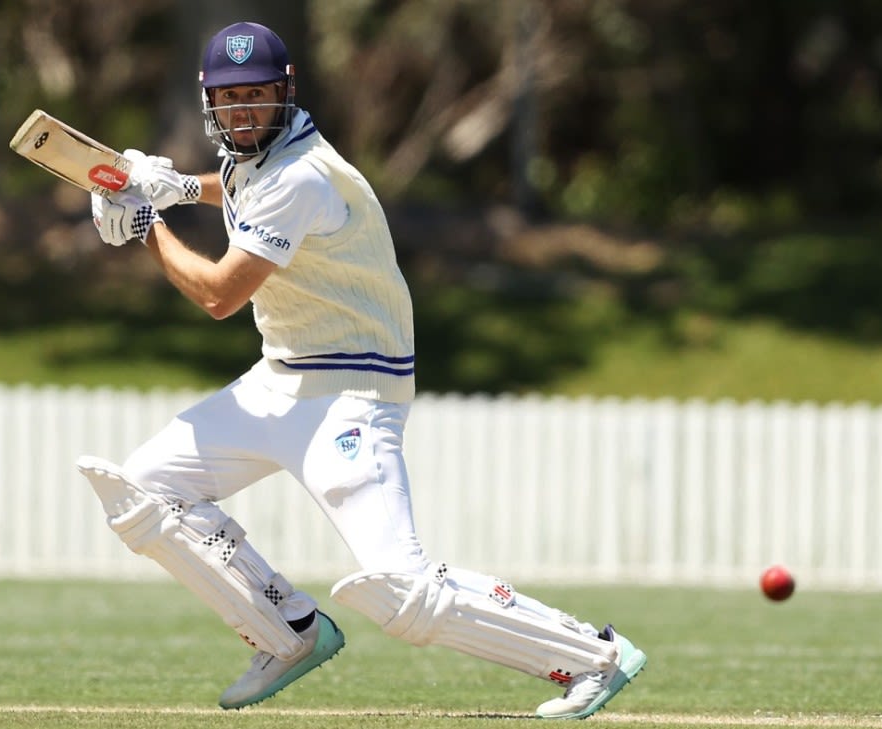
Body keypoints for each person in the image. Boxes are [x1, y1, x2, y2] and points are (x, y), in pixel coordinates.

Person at [79, 20, 647, 719]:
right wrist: (172, 187)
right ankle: (288, 632)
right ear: (209, 104)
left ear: (287, 93)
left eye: (257, 96)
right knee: (143, 489)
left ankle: (596, 655)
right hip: (278, 380)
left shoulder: (303, 175)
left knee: (402, 592)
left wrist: (145, 225)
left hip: (351, 396)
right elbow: (234, 188)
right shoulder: (252, 156)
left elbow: (219, 294)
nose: (244, 112)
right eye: (230, 100)